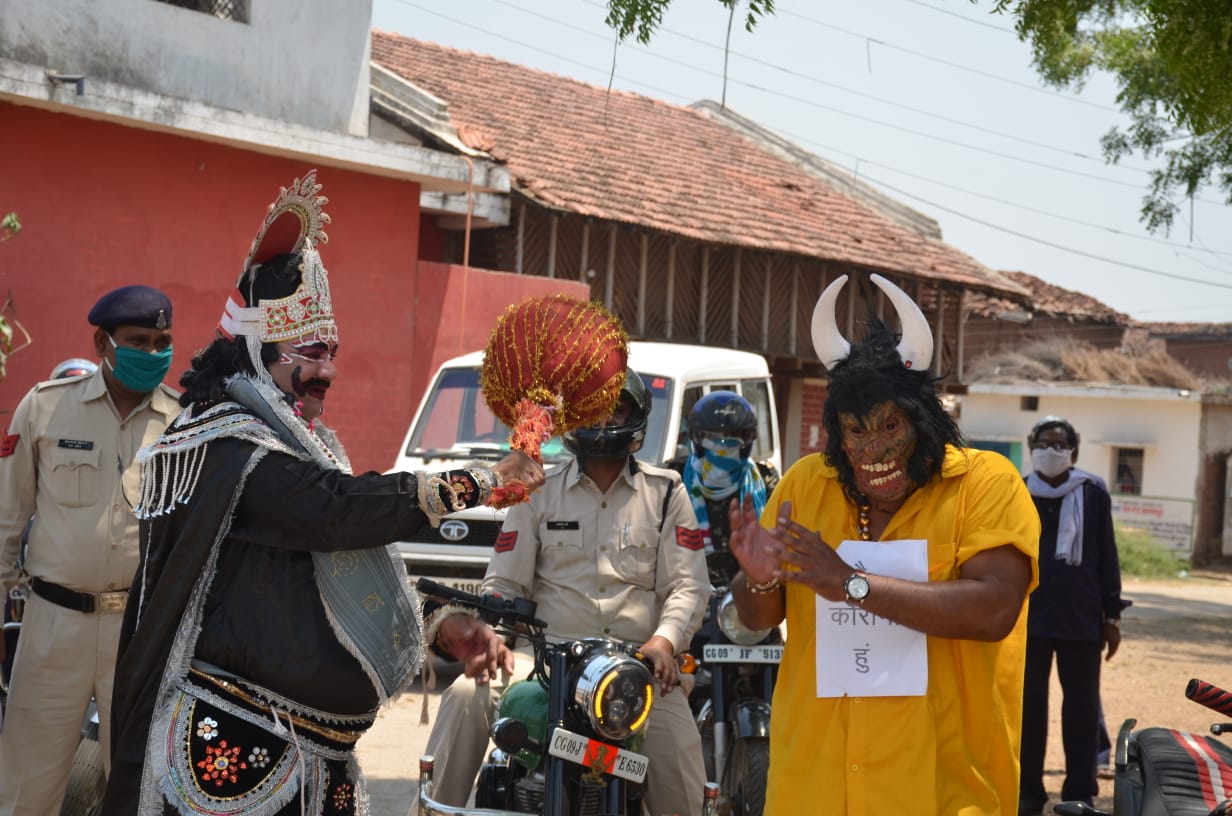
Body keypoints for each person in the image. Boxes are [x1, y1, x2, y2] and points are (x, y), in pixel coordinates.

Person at [99, 171, 542, 816]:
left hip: (316, 764)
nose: (328, 369)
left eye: (331, 348)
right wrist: (480, 480)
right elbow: (335, 512)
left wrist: (441, 625)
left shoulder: (298, 443)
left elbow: (330, 574)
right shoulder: (227, 445)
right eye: (309, 349)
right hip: (236, 755)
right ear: (257, 346)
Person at [727, 273, 1041, 815]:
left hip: (942, 790)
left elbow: (994, 610)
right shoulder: (805, 484)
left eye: (890, 425)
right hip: (814, 787)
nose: (872, 448)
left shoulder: (985, 483)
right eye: (855, 430)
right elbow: (759, 618)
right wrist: (758, 576)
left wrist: (846, 581)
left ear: (924, 420)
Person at [422, 369, 711, 816]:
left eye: (616, 407)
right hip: (545, 664)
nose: (604, 418)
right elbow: (503, 583)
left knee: (680, 763)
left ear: (637, 416)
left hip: (638, 673)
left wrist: (665, 640)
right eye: (593, 407)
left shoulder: (667, 492)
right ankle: (433, 811)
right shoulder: (537, 491)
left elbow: (688, 585)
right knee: (464, 694)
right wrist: (494, 633)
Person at [0, 288, 178, 816]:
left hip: (141, 635)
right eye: (138, 341)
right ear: (103, 341)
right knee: (26, 788)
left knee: (142, 791)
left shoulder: (184, 423)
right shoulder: (46, 407)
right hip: (54, 627)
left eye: (163, 342)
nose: (152, 353)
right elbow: (7, 520)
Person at [1018, 416, 1127, 815]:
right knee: (1027, 709)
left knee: (1080, 710)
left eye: (1059, 445)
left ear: (1074, 452)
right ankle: (1028, 790)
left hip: (1081, 619)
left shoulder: (1092, 491)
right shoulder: (1015, 492)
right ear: (1031, 449)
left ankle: (1079, 791)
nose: (1051, 451)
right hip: (1027, 620)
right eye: (1043, 443)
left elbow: (1107, 557)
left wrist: (1111, 616)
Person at [675, 390, 778, 584]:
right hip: (686, 592)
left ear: (747, 440)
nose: (722, 445)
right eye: (712, 437)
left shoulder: (765, 480)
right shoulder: (675, 478)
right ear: (696, 439)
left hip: (746, 595)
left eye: (732, 436)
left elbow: (778, 541)